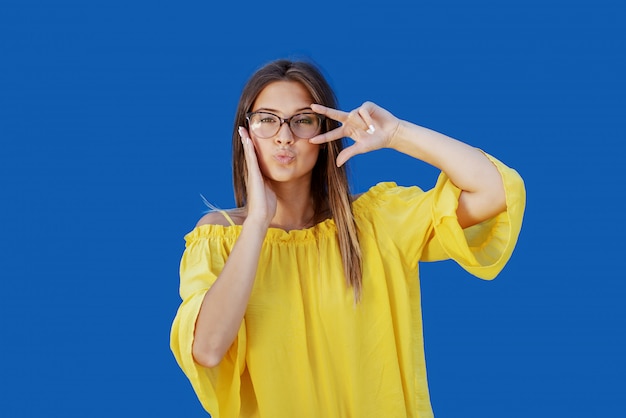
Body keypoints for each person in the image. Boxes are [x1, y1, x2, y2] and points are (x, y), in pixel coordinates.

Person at [170, 58, 525, 418]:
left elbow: (495, 192)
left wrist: (398, 134)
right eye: (267, 119)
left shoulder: (377, 221)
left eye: (302, 120)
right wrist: (258, 220)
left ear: (325, 133)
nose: (284, 135)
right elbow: (208, 350)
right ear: (244, 133)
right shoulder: (219, 238)